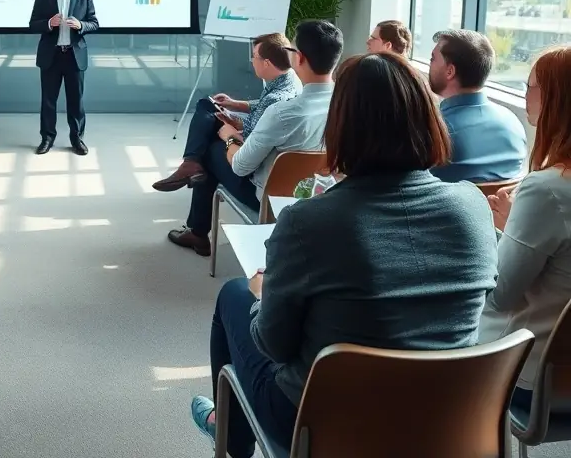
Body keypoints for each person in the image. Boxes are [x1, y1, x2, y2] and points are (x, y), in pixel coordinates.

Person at [189, 52, 498, 456]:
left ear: (341, 127)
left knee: (234, 295)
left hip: (322, 425)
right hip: (448, 415)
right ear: (428, 120)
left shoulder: (308, 222)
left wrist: (263, 294)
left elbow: (273, 344)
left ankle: (229, 431)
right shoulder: (473, 205)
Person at [167, 20, 342, 256]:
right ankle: (195, 216)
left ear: (299, 57)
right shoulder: (347, 105)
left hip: (270, 201)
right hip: (322, 197)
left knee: (209, 151)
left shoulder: (280, 113)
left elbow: (240, 167)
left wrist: (230, 138)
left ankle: (197, 231)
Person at [478, 44, 571, 411]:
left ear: (554, 98)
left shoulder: (547, 189)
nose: (524, 94)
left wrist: (501, 230)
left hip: (528, 374)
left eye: (529, 86)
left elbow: (499, 295)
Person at [154, 33, 300, 192]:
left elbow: (249, 145)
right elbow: (262, 109)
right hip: (259, 143)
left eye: (254, 56)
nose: (252, 61)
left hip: (254, 176)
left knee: (207, 150)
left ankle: (191, 164)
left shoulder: (274, 100)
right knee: (207, 105)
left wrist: (230, 134)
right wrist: (234, 105)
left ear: (266, 63)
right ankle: (191, 163)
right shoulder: (289, 78)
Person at [427, 29, 527, 183]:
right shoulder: (513, 123)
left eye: (432, 59)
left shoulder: (433, 132)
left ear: (450, 71)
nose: (430, 64)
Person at [28, 0, 99, 155]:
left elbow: (94, 23)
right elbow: (33, 24)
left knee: (76, 101)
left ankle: (77, 139)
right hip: (51, 56)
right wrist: (49, 23)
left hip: (74, 56)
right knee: (48, 101)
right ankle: (47, 139)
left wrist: (81, 25)